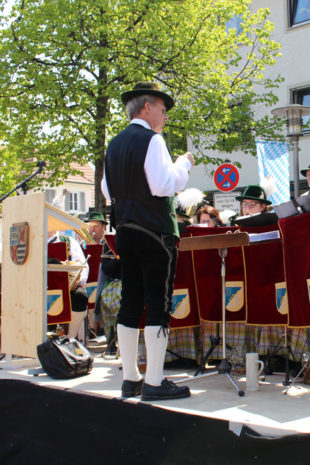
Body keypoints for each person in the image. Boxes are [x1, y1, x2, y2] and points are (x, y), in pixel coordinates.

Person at [101, 81, 193, 401]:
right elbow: (164, 185)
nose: (165, 116)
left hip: (124, 229)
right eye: (163, 109)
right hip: (155, 230)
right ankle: (154, 381)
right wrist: (184, 165)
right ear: (147, 107)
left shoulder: (112, 144)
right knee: (157, 303)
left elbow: (106, 191)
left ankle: (130, 379)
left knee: (130, 301)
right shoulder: (153, 140)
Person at [48, 229, 89, 341]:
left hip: (66, 287)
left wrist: (78, 280)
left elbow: (82, 265)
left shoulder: (69, 241)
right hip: (39, 288)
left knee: (80, 296)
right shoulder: (34, 240)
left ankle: (71, 339)